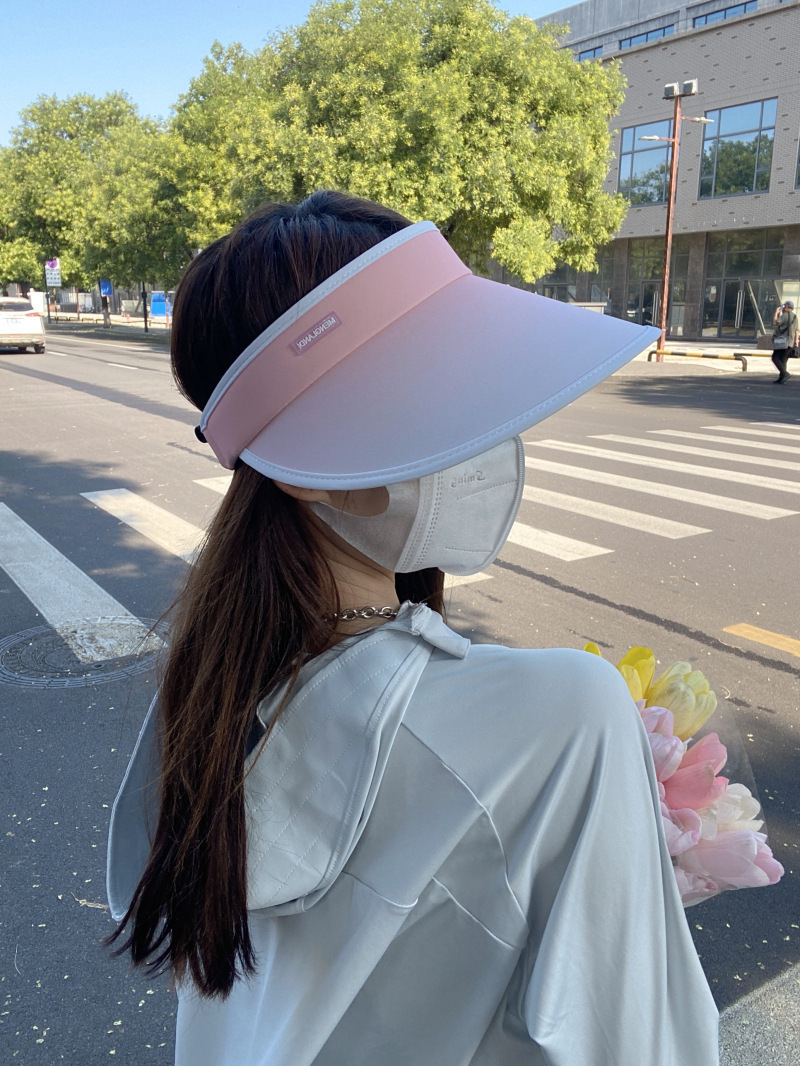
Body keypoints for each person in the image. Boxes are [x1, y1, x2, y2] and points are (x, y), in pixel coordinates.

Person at [106, 191, 719, 1065]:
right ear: (307, 471)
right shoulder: (564, 714)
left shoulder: (211, 696)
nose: (493, 432)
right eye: (440, 390)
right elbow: (642, 1039)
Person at [771, 299, 799, 384]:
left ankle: (785, 373)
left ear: (786, 307)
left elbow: (775, 322)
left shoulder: (785, 315)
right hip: (790, 342)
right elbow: (796, 331)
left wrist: (776, 312)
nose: (782, 308)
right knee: (783, 360)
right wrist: (796, 342)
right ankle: (782, 379)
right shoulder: (795, 317)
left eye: (784, 306)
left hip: (782, 341)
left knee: (775, 357)